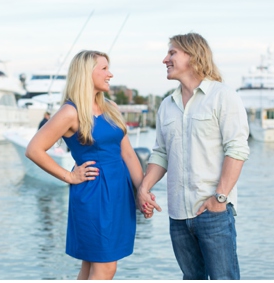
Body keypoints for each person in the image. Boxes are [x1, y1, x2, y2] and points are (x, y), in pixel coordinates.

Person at [137, 33, 250, 280]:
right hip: (177, 216)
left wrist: (219, 198)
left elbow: (237, 149)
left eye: (172, 53)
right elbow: (161, 153)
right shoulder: (167, 105)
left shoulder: (223, 96)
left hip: (213, 211)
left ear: (192, 55)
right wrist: (144, 187)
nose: (165, 59)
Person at [26, 50, 144, 280]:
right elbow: (34, 149)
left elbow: (128, 154)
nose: (110, 74)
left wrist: (142, 191)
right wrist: (69, 176)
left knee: (91, 266)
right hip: (95, 192)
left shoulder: (111, 107)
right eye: (104, 69)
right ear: (86, 73)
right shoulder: (70, 112)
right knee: (106, 267)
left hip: (119, 191)